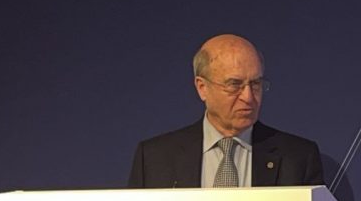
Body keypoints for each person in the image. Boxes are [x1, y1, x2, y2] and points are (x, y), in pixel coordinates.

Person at [128, 33, 324, 188]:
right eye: (234, 85)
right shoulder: (155, 158)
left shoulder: (298, 157)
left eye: (255, 84)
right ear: (202, 88)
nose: (248, 97)